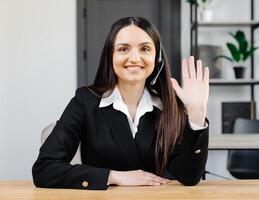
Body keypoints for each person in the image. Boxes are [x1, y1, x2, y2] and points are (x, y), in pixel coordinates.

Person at [32, 16, 209, 190]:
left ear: (158, 59)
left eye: (145, 49)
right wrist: (113, 176)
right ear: (110, 56)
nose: (134, 58)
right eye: (123, 49)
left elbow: (189, 177)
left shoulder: (169, 105)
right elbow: (45, 169)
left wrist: (196, 114)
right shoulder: (85, 101)